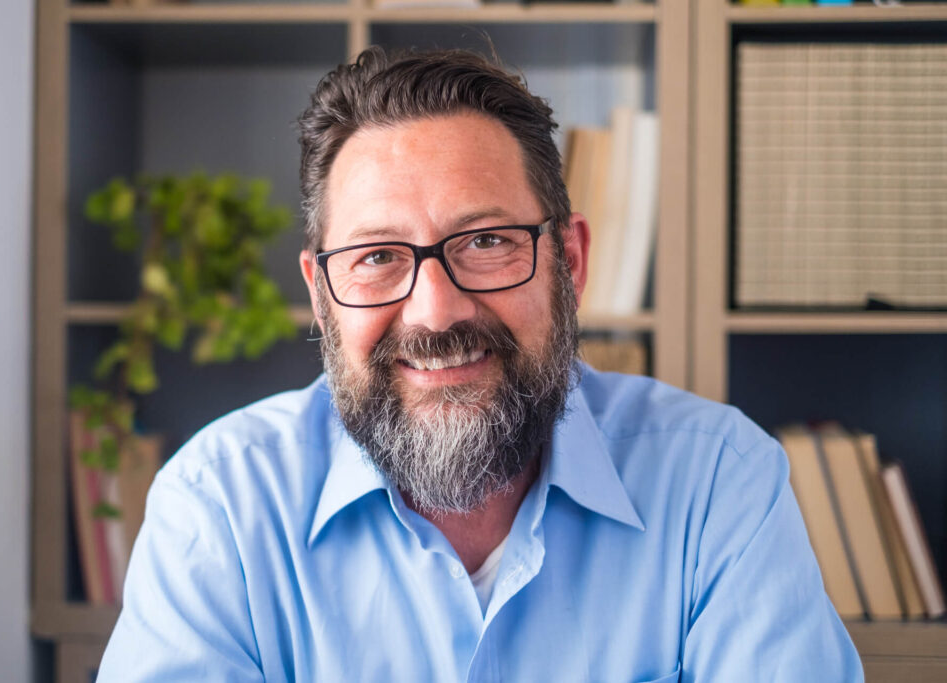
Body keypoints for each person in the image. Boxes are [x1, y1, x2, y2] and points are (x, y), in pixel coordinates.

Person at [98, 47, 862, 682]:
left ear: (568, 261)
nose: (435, 312)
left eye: (487, 242)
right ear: (323, 296)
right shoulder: (220, 509)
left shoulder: (718, 485)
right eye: (377, 257)